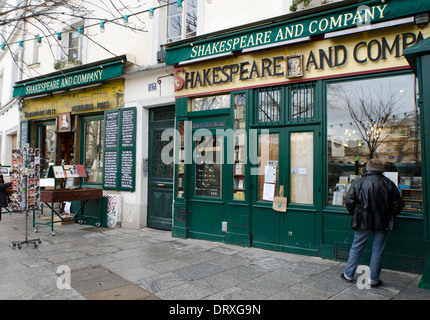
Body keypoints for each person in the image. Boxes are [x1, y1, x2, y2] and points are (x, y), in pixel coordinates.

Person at [341, 159, 404, 287]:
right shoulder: (389, 184)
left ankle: (348, 274)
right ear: (381, 170)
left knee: (357, 247)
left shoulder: (358, 182)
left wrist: (357, 214)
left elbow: (349, 202)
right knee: (378, 249)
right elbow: (398, 205)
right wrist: (389, 214)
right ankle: (373, 279)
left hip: (363, 220)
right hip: (383, 221)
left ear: (367, 169)